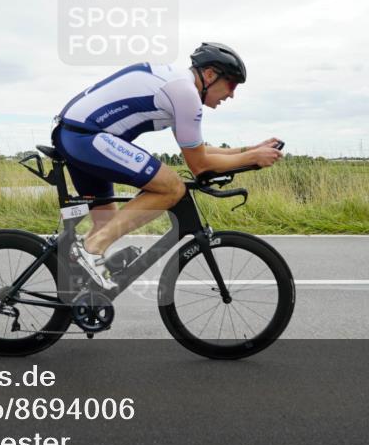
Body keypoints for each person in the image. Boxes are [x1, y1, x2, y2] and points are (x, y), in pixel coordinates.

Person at [51, 42, 283, 289]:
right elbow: (200, 165)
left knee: (105, 224)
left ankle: (79, 290)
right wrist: (252, 159)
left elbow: (198, 151)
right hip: (85, 137)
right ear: (210, 75)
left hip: (78, 135)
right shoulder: (184, 93)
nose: (232, 94)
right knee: (172, 188)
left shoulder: (179, 86)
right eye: (232, 85)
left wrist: (251, 150)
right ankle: (90, 250)